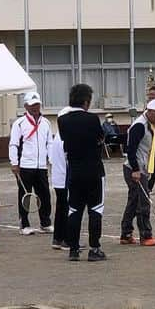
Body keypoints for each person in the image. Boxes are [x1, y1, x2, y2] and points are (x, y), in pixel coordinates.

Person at [59, 82, 107, 262]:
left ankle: (73, 249)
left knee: (74, 210)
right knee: (95, 209)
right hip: (94, 170)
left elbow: (65, 140)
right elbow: (100, 138)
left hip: (74, 171)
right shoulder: (92, 119)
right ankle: (94, 248)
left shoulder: (62, 120)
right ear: (86, 101)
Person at [119, 97, 155, 247]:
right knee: (143, 202)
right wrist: (135, 170)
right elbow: (131, 149)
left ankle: (126, 234)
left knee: (134, 201)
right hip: (135, 169)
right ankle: (145, 235)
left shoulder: (149, 125)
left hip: (141, 168)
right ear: (150, 111)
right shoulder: (139, 126)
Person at [9, 90, 52, 235]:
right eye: (32, 105)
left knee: (45, 194)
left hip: (41, 166)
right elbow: (13, 144)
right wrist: (14, 163)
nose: (35, 107)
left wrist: (50, 160)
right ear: (26, 106)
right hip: (25, 166)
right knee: (25, 195)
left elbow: (49, 143)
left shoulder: (46, 123)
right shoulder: (19, 123)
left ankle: (45, 222)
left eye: (37, 104)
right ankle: (24, 224)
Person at [49, 99, 72, 250]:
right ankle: (66, 239)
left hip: (58, 178)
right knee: (67, 210)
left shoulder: (56, 137)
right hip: (65, 178)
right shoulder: (65, 139)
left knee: (60, 208)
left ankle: (57, 239)